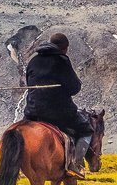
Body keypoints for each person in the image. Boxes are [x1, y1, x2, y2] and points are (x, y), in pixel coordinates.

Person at [22, 32, 93, 176]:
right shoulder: (62, 60)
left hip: (32, 112)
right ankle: (75, 164)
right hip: (58, 112)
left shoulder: (33, 61)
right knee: (87, 130)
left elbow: (29, 83)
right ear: (64, 47)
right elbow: (74, 88)